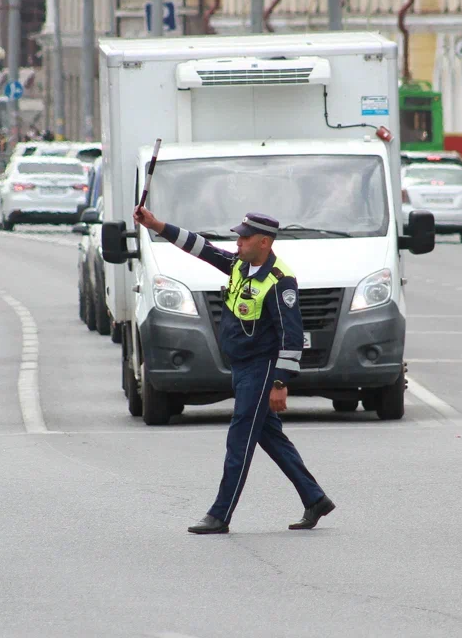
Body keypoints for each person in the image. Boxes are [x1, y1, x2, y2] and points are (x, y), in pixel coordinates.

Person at [132, 205, 334, 535]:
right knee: (270, 437)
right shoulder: (241, 265)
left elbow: (292, 335)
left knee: (239, 440)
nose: (237, 243)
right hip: (241, 366)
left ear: (265, 243)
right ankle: (315, 499)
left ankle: (219, 514)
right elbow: (200, 247)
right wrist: (156, 224)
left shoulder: (280, 282)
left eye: (244, 238)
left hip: (261, 369)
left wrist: (280, 381)